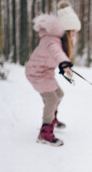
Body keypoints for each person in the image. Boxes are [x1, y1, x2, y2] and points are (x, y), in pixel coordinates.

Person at [25, 1, 81, 146]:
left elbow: (57, 55)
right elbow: (56, 53)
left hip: (45, 73)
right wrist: (64, 63)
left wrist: (65, 68)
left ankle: (51, 119)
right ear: (67, 30)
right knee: (51, 99)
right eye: (73, 31)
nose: (74, 34)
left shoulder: (55, 39)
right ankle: (45, 133)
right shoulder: (51, 40)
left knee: (59, 94)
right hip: (36, 73)